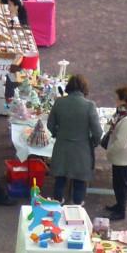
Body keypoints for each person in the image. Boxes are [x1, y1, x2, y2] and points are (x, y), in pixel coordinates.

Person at [45, 74, 100, 204]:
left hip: (62, 146)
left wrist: (58, 134)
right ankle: (77, 205)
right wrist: (93, 142)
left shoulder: (59, 102)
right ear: (84, 88)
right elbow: (98, 131)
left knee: (60, 178)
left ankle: (57, 202)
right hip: (82, 148)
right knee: (80, 180)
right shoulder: (89, 106)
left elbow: (50, 125)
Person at [100, 85, 127, 220]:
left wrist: (110, 152)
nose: (115, 100)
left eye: (117, 98)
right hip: (124, 157)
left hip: (124, 158)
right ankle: (118, 205)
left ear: (123, 99)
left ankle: (121, 210)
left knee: (121, 186)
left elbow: (121, 143)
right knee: (118, 184)